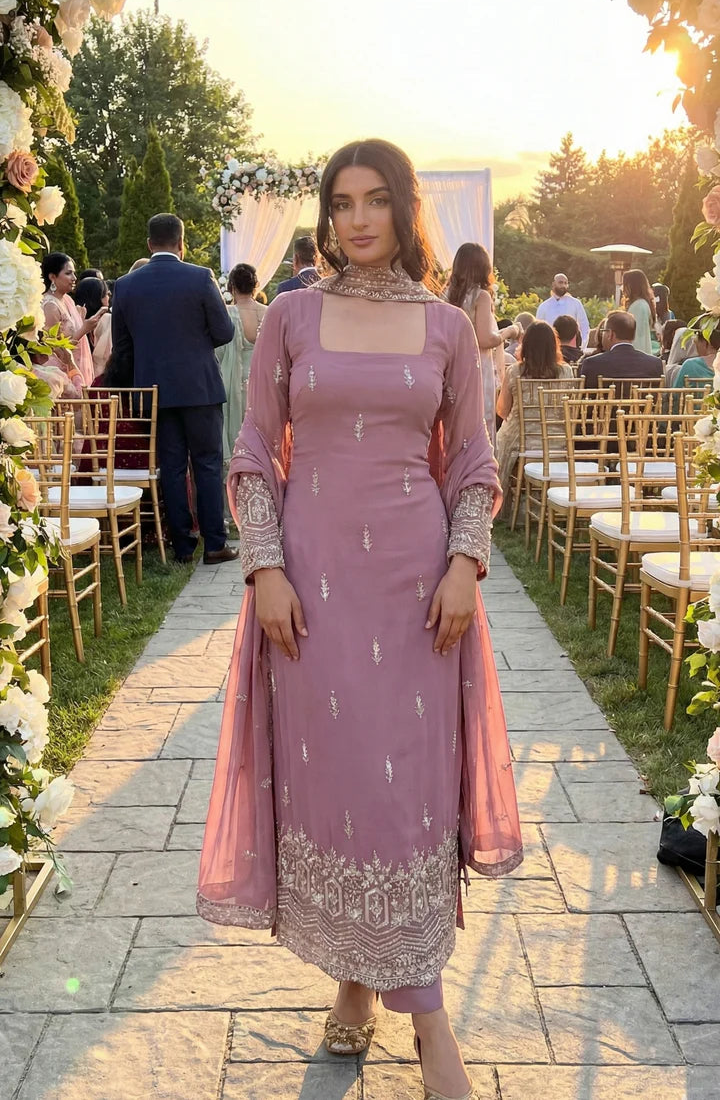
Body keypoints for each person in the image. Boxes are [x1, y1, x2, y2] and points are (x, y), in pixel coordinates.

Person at [198, 139, 522, 1100]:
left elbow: (474, 462)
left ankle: (426, 1018)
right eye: (341, 203)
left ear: (404, 208)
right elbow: (256, 448)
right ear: (327, 218)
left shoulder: (446, 329)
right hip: (312, 589)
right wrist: (265, 568)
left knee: (406, 791)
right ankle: (352, 982)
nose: (357, 219)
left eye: (376, 200)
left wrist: (463, 565)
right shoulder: (292, 317)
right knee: (340, 783)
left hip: (419, 591)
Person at [111, 213, 237, 565]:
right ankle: (214, 544)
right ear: (182, 243)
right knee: (207, 463)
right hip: (199, 386)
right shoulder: (200, 277)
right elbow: (224, 331)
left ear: (149, 244)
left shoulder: (126, 285)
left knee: (171, 466)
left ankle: (182, 545)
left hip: (154, 390)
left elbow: (122, 345)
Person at [445, 242, 519, 445]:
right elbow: (485, 339)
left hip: (450, 365)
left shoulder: (445, 294)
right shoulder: (480, 296)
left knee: (452, 424)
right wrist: (509, 331)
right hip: (476, 367)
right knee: (479, 423)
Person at [495, 322, 574, 500]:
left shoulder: (515, 371)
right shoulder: (566, 372)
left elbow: (502, 410)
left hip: (519, 440)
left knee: (497, 440)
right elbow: (570, 411)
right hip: (556, 441)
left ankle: (504, 501)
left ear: (526, 345)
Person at [216, 262, 267, 462]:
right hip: (263, 382)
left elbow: (218, 353)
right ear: (255, 286)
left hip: (232, 381)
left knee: (236, 434)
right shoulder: (269, 312)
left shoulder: (227, 314)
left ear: (232, 287)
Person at [40, 252, 106, 398]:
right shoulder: (49, 305)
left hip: (74, 369)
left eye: (74, 273)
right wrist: (84, 329)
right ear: (52, 277)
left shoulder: (67, 300)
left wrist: (82, 321)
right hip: (60, 375)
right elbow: (55, 349)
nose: (74, 278)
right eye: (68, 273)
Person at [578, 309, 663, 388]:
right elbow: (657, 397)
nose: (602, 334)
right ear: (633, 336)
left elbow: (585, 396)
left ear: (610, 334)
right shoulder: (655, 364)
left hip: (605, 400)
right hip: (643, 400)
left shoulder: (591, 364)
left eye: (603, 331)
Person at [72, 275, 112, 377]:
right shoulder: (107, 319)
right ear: (97, 297)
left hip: (77, 371)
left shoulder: (75, 316)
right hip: (100, 375)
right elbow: (106, 355)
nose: (109, 296)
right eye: (106, 294)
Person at [536, 273, 590, 347]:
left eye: (565, 283)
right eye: (560, 282)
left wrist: (582, 346)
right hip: (551, 347)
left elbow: (584, 326)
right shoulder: (544, 306)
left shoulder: (575, 303)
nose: (563, 285)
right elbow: (538, 329)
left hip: (572, 348)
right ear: (553, 284)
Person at [622, 269, 656, 356]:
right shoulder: (642, 304)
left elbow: (638, 337)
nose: (623, 288)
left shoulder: (638, 306)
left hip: (635, 356)